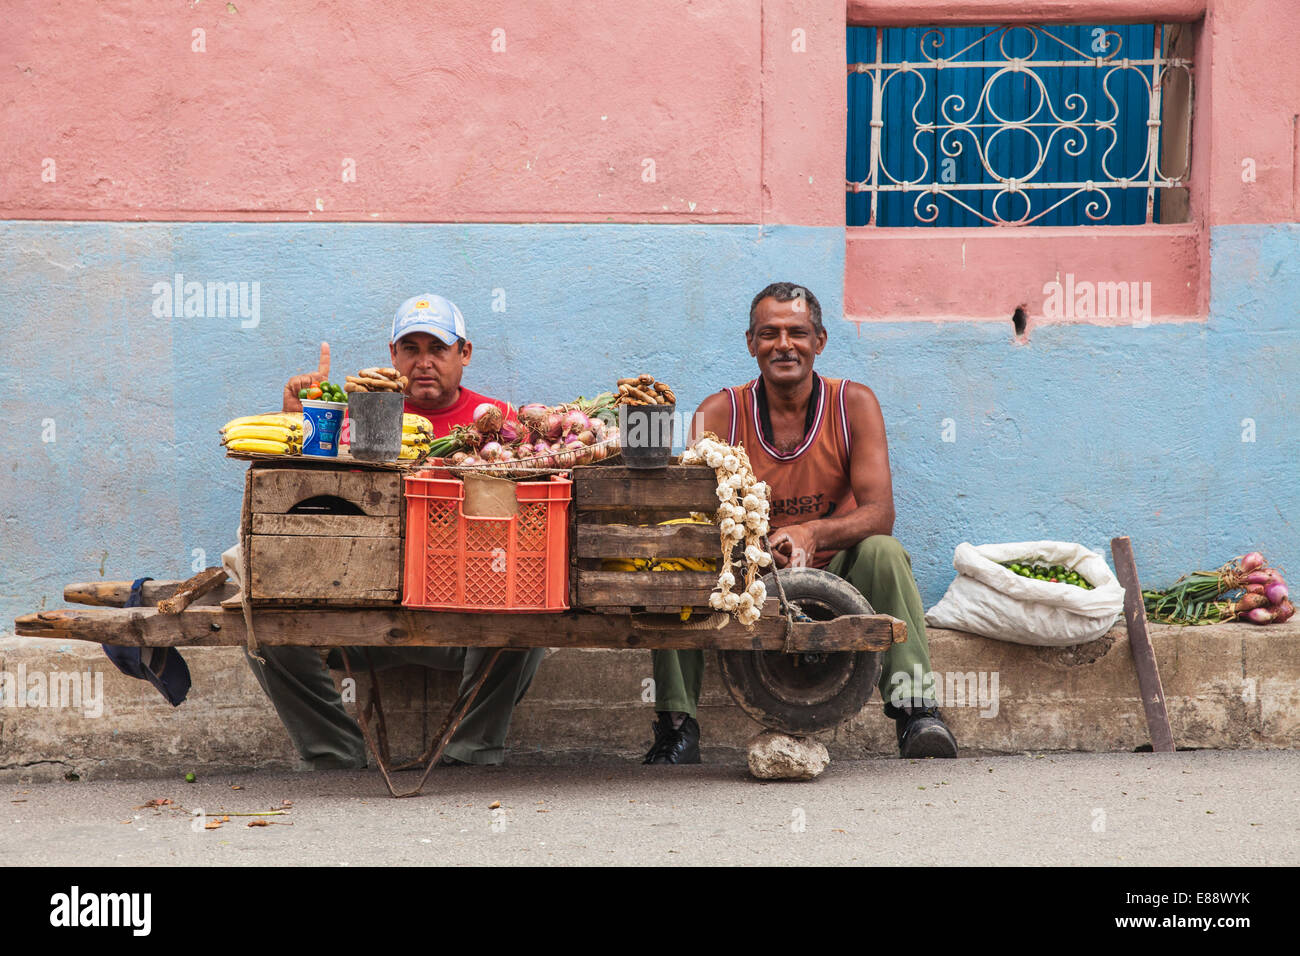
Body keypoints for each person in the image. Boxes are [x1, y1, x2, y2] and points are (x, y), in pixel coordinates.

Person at [644, 282, 958, 764]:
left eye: (798, 332)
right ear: (751, 343)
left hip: (837, 572)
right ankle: (676, 728)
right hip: (751, 576)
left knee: (884, 552)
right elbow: (699, 517)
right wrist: (755, 547)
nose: (784, 345)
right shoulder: (719, 413)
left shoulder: (853, 404)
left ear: (820, 341)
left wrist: (813, 532)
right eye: (769, 334)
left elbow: (881, 514)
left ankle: (917, 712)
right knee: (680, 566)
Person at [244, 294, 545, 769]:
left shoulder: (500, 423)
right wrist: (297, 422)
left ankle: (470, 752)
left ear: (464, 353)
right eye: (410, 348)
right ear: (393, 356)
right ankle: (336, 755)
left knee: (534, 616)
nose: (423, 363)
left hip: (465, 618)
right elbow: (307, 507)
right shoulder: (355, 419)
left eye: (438, 349)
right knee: (258, 623)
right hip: (359, 617)